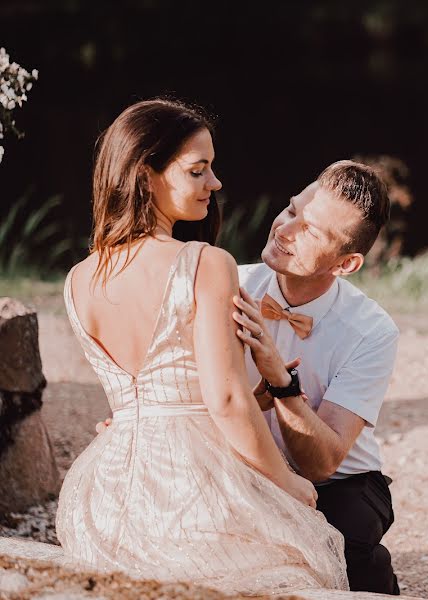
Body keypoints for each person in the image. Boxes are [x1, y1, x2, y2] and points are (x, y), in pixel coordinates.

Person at [56, 98, 349, 595]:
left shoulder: (78, 278)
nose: (215, 184)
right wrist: (287, 483)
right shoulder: (205, 263)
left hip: (102, 500)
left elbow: (140, 401)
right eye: (198, 170)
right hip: (192, 486)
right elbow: (226, 400)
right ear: (145, 176)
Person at [229, 161, 401, 594]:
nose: (284, 230)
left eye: (311, 232)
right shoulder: (230, 284)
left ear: (346, 264)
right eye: (291, 211)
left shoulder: (371, 330)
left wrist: (279, 380)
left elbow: (322, 462)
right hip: (242, 466)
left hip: (340, 483)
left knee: (340, 548)